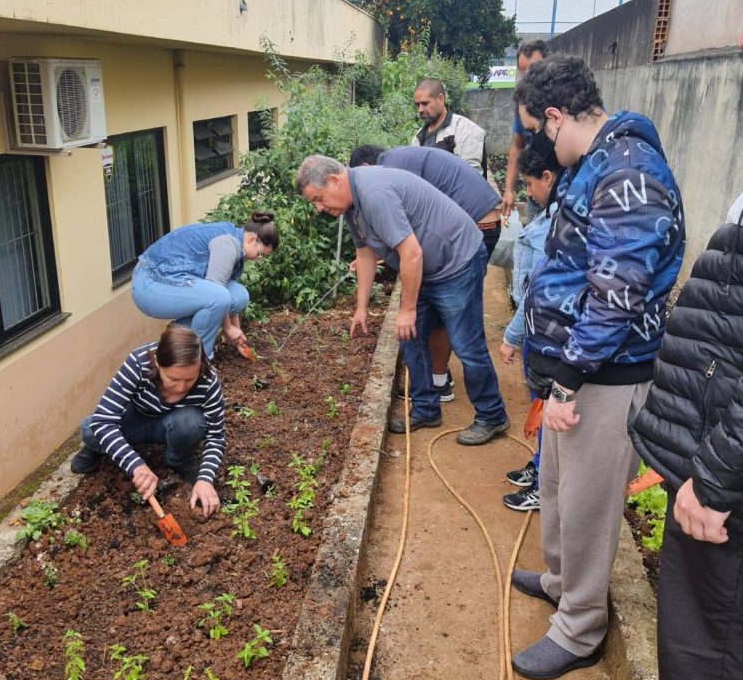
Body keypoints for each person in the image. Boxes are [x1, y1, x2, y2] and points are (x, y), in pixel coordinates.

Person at [508, 54, 685, 680]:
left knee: (587, 504)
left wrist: (567, 381)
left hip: (606, 377)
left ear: (556, 117)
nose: (539, 145)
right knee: (559, 489)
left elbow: (616, 297)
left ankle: (581, 628)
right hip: (579, 369)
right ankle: (561, 582)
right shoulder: (596, 163)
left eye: (538, 130)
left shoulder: (628, 174)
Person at [604, 198, 743, 680]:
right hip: (710, 444)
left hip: (724, 470)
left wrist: (714, 479)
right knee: (705, 622)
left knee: (718, 629)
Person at [296, 154, 508, 445]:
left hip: (455, 262)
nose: (319, 208)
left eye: (318, 199)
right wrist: (361, 308)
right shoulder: (351, 206)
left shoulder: (374, 193)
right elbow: (365, 254)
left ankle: (492, 415)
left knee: (466, 344)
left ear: (334, 181)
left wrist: (408, 309)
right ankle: (425, 409)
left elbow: (411, 253)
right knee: (410, 337)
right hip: (426, 269)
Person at [349, 143, 502, 403]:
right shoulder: (396, 160)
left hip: (474, 225)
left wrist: (407, 305)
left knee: (451, 318)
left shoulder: (385, 174)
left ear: (365, 168)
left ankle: (447, 386)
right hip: (479, 219)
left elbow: (414, 232)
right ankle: (435, 385)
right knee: (435, 315)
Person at [70, 325, 225, 518]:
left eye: (189, 380)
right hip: (135, 420)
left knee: (192, 422)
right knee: (91, 430)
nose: (181, 388)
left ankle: (179, 458)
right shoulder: (138, 363)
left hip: (174, 425)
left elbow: (216, 436)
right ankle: (96, 450)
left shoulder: (208, 380)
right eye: (173, 379)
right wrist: (135, 464)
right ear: (158, 363)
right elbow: (103, 420)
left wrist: (205, 478)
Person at [499, 144, 559, 512]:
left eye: (530, 184)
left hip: (543, 332)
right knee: (540, 404)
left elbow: (538, 291)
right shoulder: (550, 213)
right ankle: (539, 465)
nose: (528, 193)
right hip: (537, 330)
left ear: (548, 177)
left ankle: (544, 483)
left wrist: (511, 335)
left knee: (546, 408)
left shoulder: (559, 224)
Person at [131, 213, 278, 360]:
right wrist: (228, 328)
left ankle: (179, 334)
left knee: (239, 297)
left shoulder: (236, 242)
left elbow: (225, 296)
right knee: (218, 298)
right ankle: (199, 360)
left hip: (171, 277)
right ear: (252, 239)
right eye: (261, 254)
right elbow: (218, 294)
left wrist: (238, 337)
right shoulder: (228, 244)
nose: (258, 259)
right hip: (150, 283)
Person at [501, 40, 548, 220]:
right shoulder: (523, 107)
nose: (530, 79)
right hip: (536, 197)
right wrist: (509, 189)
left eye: (534, 70)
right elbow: (517, 145)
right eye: (525, 74)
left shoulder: (569, 100)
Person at [410, 78, 486, 174]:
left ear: (441, 99)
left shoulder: (465, 129)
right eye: (417, 105)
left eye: (425, 103)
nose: (420, 110)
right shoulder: (418, 138)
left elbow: (471, 176)